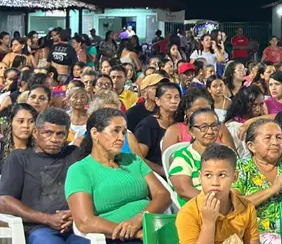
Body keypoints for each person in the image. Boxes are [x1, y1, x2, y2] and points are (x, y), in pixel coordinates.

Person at [65, 108, 171, 244]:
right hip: (113, 237)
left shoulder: (133, 160)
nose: (121, 138)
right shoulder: (80, 170)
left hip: (150, 228)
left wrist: (139, 220)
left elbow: (163, 194)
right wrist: (134, 233)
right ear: (95, 133)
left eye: (124, 132)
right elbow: (85, 221)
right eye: (115, 131)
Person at [0, 108, 85, 244]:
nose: (54, 139)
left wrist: (76, 215)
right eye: (48, 133)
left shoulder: (74, 154)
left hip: (76, 226)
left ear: (67, 135)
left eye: (60, 134)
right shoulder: (20, 158)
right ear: (35, 132)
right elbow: (4, 201)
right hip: (38, 228)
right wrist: (48, 219)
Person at [175, 144, 260, 244]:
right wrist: (208, 223)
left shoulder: (247, 207)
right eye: (208, 175)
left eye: (222, 175)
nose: (215, 182)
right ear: (200, 177)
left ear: (234, 177)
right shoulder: (189, 213)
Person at [234, 119, 282, 242]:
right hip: (255, 234)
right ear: (251, 146)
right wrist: (272, 189)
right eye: (268, 138)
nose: (275, 142)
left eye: (279, 137)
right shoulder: (241, 168)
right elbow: (234, 204)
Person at [168, 108, 223, 205]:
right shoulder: (183, 157)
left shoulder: (226, 153)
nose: (210, 131)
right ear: (191, 132)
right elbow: (184, 191)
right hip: (197, 210)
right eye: (203, 127)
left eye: (214, 126)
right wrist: (217, 203)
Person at [134, 82, 181, 176]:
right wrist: (164, 172)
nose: (173, 101)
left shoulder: (181, 122)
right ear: (158, 101)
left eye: (177, 97)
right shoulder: (147, 126)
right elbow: (139, 158)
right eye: (169, 97)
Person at [0, 104, 37, 170]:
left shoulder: (38, 150)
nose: (26, 126)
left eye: (31, 121)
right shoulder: (1, 145)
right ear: (11, 122)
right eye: (21, 121)